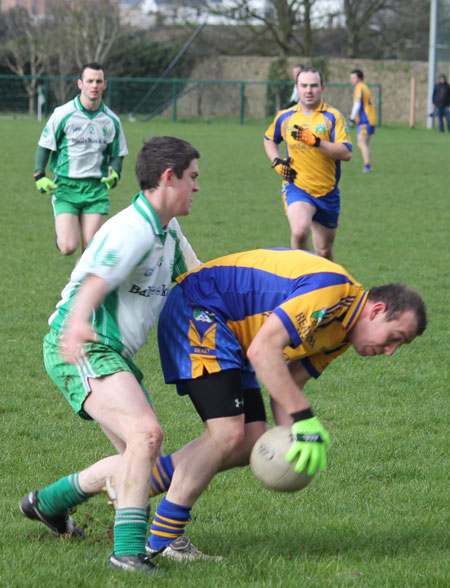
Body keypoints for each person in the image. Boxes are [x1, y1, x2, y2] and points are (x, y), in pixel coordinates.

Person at [144, 248, 426, 562]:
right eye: (395, 337)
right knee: (226, 434)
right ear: (376, 310)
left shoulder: (342, 334)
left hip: (234, 335)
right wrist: (304, 420)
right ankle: (164, 541)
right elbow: (264, 353)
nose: (391, 351)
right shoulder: (332, 293)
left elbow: (286, 385)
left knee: (248, 441)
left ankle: (132, 486)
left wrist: (291, 439)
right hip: (200, 309)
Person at [20, 136, 202, 575]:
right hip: (83, 346)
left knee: (139, 461)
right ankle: (128, 553)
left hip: (112, 354)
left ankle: (48, 503)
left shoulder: (167, 230)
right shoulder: (131, 229)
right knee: (146, 436)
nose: (197, 187)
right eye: (192, 177)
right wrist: (80, 321)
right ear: (167, 177)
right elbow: (94, 281)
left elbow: (198, 281)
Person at [34, 62, 128, 256]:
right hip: (66, 187)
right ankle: (63, 239)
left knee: (91, 253)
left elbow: (118, 153)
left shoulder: (112, 121)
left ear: (105, 85)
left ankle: (78, 286)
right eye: (90, 81)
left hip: (95, 190)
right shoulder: (62, 114)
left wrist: (115, 173)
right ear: (80, 84)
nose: (94, 85)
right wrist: (39, 175)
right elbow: (45, 145)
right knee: (68, 247)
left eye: (98, 81)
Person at [264, 66, 352, 261]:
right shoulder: (285, 117)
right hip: (297, 187)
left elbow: (346, 153)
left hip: (327, 192)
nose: (309, 90)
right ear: (297, 88)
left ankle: (326, 286)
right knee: (299, 231)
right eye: (303, 86)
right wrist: (276, 161)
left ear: (323, 88)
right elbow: (269, 138)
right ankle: (302, 276)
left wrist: (317, 142)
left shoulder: (332, 117)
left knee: (325, 251)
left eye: (313, 86)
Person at [349, 69, 377, 173]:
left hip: (365, 119)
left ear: (359, 78)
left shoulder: (359, 87)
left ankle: (367, 166)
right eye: (350, 77)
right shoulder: (364, 87)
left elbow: (357, 104)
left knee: (362, 143)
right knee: (364, 143)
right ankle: (368, 164)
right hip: (369, 118)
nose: (351, 80)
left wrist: (352, 118)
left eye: (353, 77)